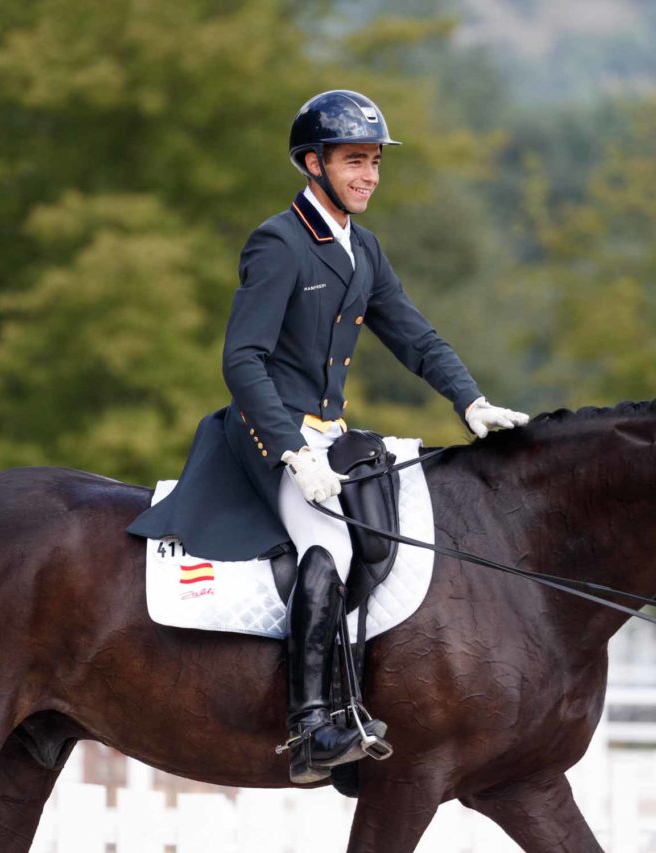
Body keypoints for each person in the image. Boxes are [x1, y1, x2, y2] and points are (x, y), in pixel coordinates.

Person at [128, 90, 528, 784]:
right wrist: (290, 449)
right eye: (354, 161)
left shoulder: (362, 248)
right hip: (265, 435)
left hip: (328, 435)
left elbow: (413, 333)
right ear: (312, 163)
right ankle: (311, 722)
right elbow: (241, 361)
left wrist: (472, 401)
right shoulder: (280, 243)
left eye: (374, 162)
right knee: (330, 541)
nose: (369, 175)